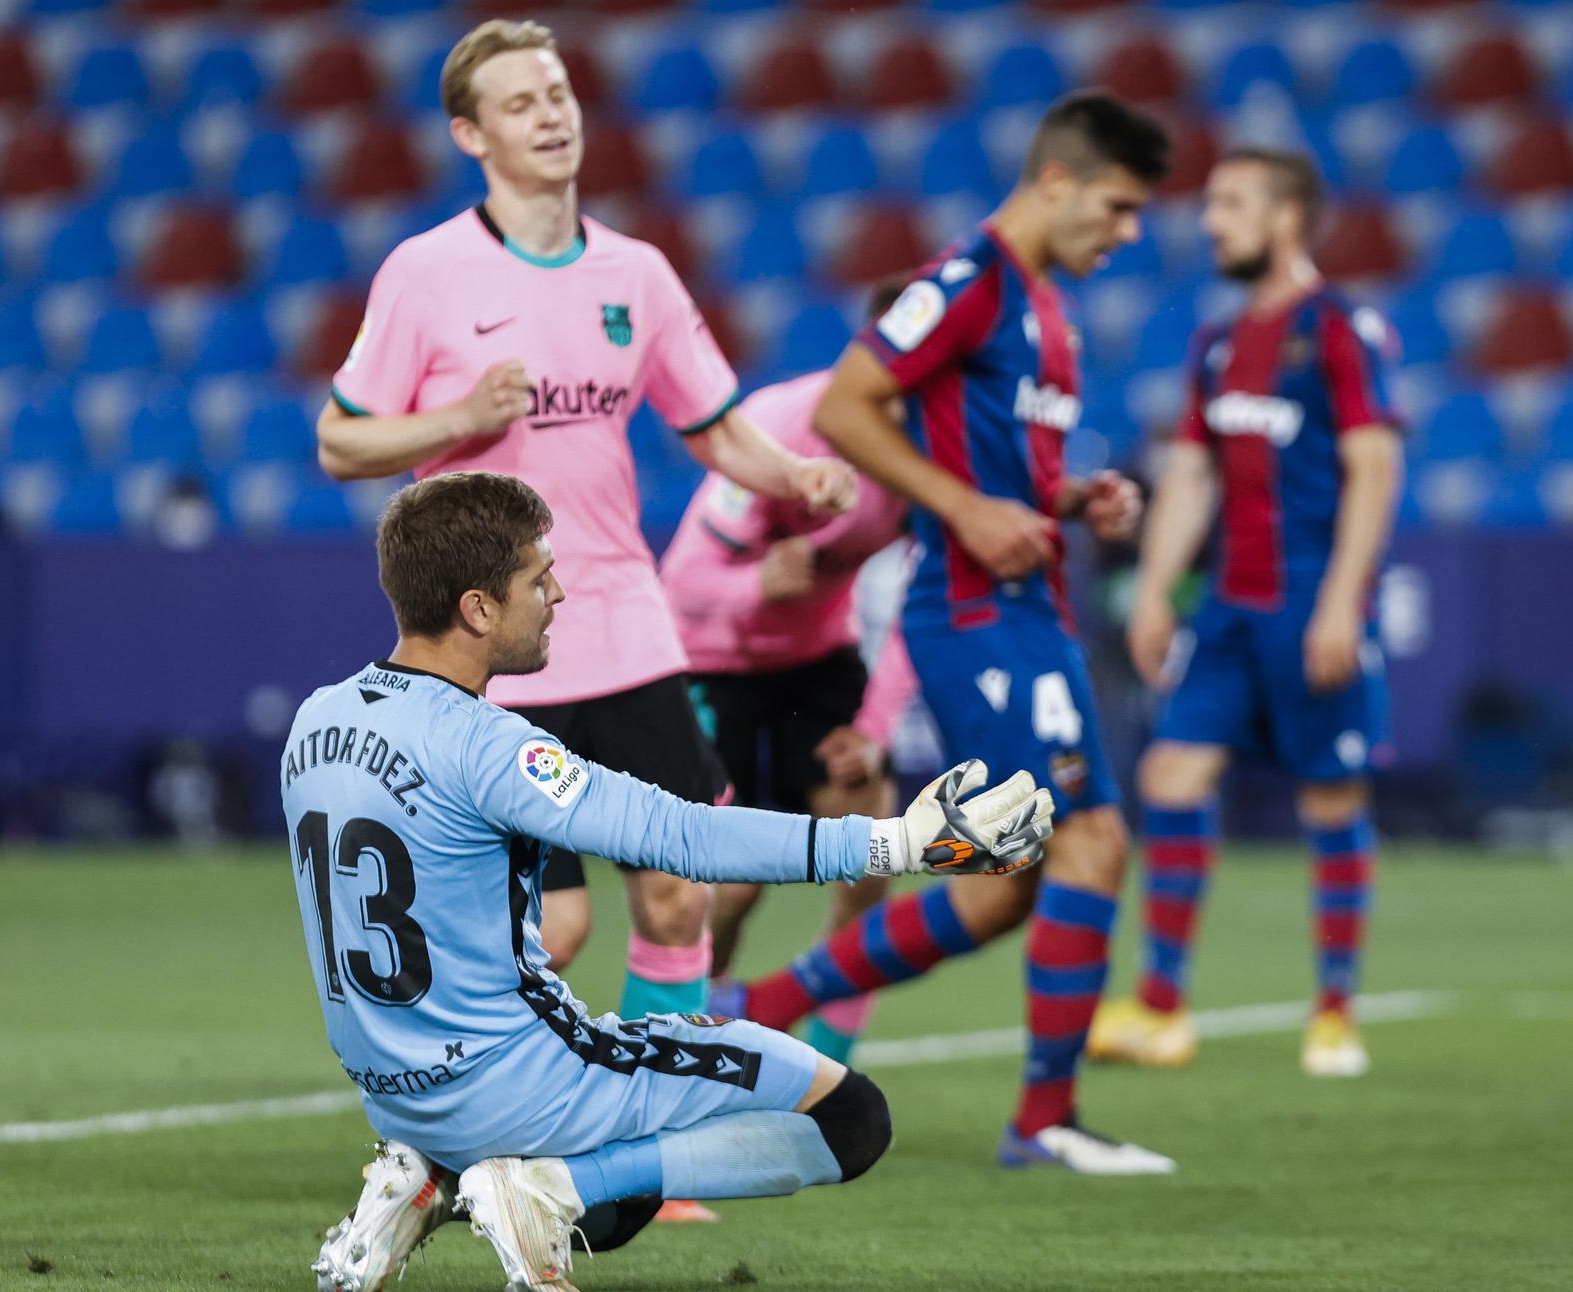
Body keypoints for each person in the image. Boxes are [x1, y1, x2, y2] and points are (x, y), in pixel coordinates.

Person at [289, 472, 1051, 1292]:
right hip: (518, 1087)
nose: (558, 594)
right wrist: (898, 842)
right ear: (477, 608)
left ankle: (429, 1176)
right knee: (850, 1118)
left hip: (393, 1091)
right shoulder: (490, 746)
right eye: (537, 578)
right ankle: (545, 1187)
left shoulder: (317, 718)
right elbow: (684, 835)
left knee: (621, 1178)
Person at [313, 19, 856, 1073]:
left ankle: (662, 1104)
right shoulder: (426, 272)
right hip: (495, 640)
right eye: (520, 103)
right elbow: (341, 440)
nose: (550, 115)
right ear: (472, 135)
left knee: (680, 888)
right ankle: (465, 1104)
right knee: (552, 925)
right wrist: (459, 417)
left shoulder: (635, 273)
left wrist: (796, 475)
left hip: (620, 618)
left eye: (557, 94)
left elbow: (714, 425)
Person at [722, 90, 1175, 1175]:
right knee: (1090, 839)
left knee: (1004, 885)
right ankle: (1043, 1120)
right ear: (1056, 180)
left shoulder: (1047, 312)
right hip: (975, 615)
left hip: (1029, 608)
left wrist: (1074, 500)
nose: (1128, 232)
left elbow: (1009, 473)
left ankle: (755, 1006)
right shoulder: (968, 284)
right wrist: (963, 509)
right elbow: (844, 405)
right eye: (1117, 206)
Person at [1087, 149, 1403, 1077]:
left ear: (1286, 217)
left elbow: (1375, 464)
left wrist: (1342, 600)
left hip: (1311, 595)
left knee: (1330, 794)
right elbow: (1193, 471)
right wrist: (1155, 585)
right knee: (1171, 774)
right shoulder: (1219, 343)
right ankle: (1161, 1007)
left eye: (1230, 204)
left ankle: (1335, 1010)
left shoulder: (1340, 326)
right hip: (1229, 601)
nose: (1211, 221)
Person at [658, 278, 916, 1066]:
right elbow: (680, 584)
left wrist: (873, 728)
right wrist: (757, 584)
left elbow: (928, 598)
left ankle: (832, 1063)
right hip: (711, 662)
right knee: (732, 885)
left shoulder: (935, 450)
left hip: (818, 657)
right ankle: (698, 1047)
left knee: (872, 847)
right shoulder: (783, 428)